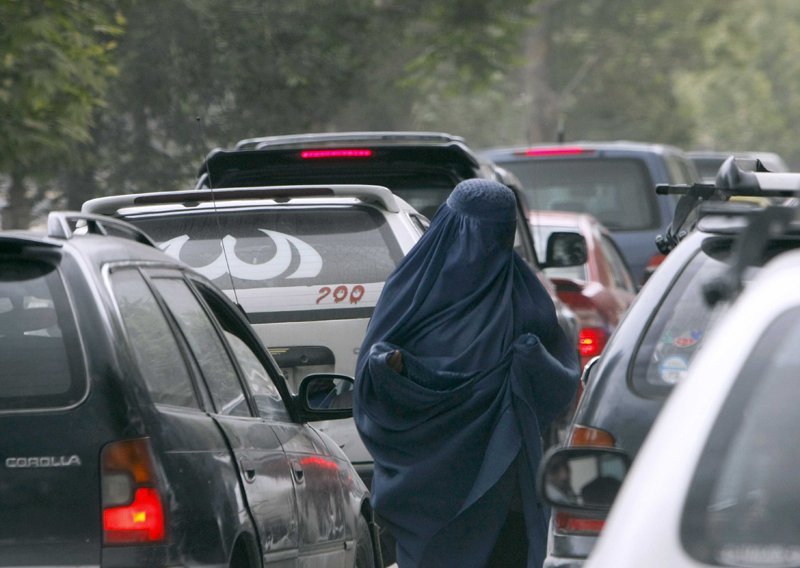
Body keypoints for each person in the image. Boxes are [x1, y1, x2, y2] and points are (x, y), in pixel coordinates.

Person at [353, 179, 581, 568]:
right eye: (477, 233)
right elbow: (373, 385)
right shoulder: (413, 291)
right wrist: (390, 369)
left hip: (502, 492)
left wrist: (531, 360)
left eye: (498, 234)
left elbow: (561, 384)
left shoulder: (523, 296)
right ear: (451, 228)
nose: (486, 246)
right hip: (428, 490)